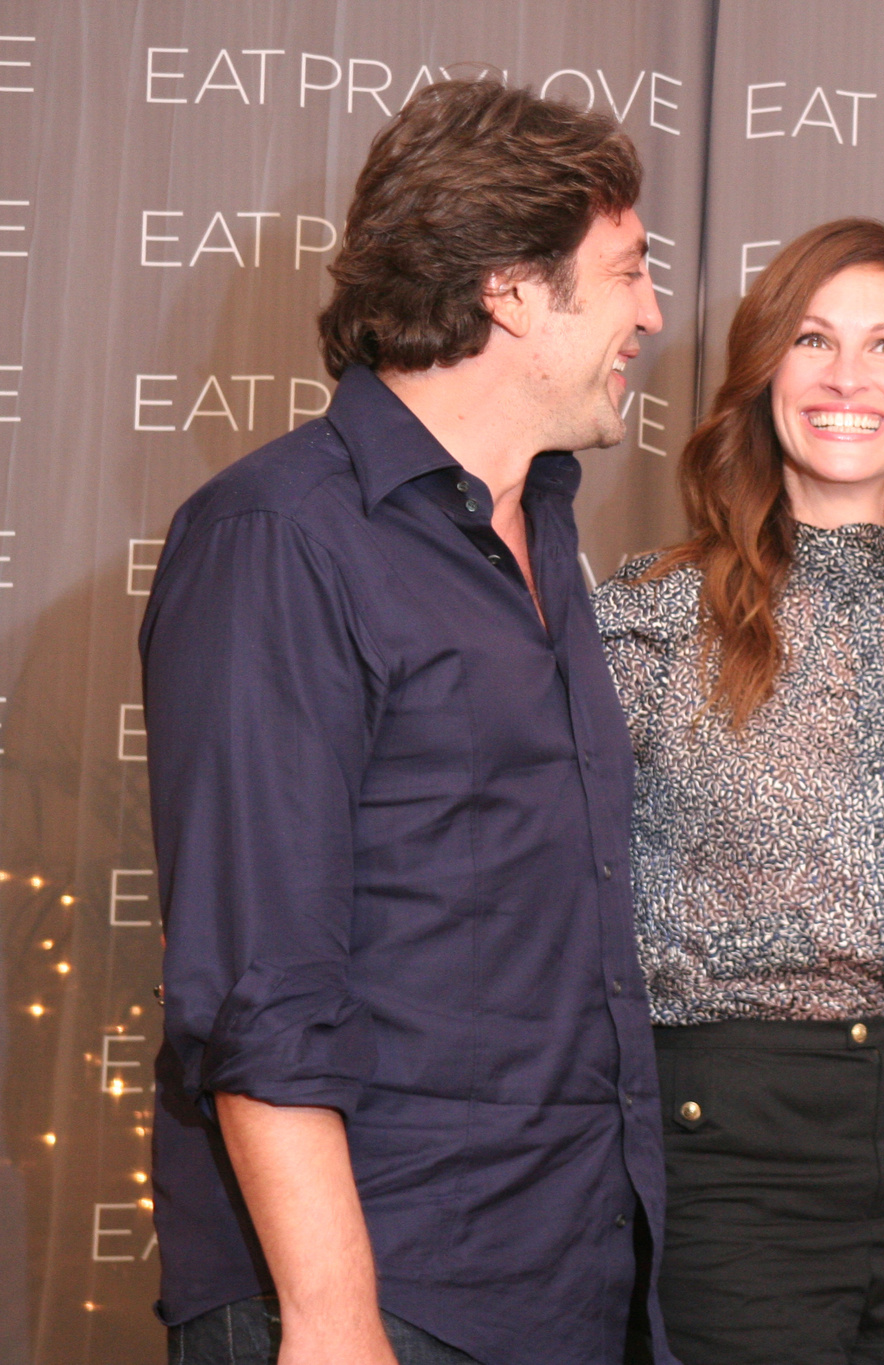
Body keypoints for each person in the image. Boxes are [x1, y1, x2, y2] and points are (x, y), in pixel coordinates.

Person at [142, 81, 670, 1365]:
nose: (652, 316)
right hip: (378, 1297)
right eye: (624, 274)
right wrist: (333, 1320)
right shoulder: (279, 537)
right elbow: (261, 979)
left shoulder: (542, 522)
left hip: (560, 1278)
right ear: (509, 292)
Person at [594, 218, 884, 1365]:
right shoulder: (647, 616)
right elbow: (573, 897)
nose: (847, 377)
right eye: (812, 340)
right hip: (726, 1134)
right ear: (762, 376)